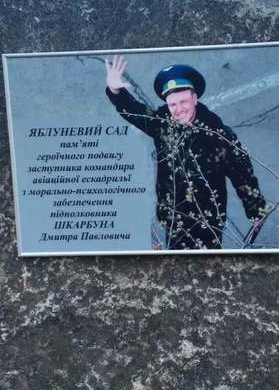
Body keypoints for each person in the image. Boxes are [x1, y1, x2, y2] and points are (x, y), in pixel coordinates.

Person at [104, 55, 267, 250]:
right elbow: (135, 112)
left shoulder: (218, 134)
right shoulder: (163, 125)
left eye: (183, 102)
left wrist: (255, 210)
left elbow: (243, 174)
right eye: (172, 104)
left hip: (208, 219)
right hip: (173, 215)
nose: (179, 110)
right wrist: (116, 91)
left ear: (195, 99)